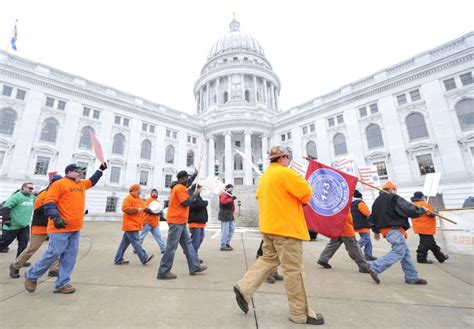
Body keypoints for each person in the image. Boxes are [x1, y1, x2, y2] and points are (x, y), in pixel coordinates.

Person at [234, 145, 324, 326]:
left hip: (269, 228)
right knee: (293, 271)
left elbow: (260, 197)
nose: (289, 161)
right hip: (287, 230)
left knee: (268, 259)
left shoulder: (265, 177)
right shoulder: (286, 173)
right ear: (283, 158)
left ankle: (244, 287)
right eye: (288, 158)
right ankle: (300, 313)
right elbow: (306, 193)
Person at [24, 162, 106, 294]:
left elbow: (92, 181)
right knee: (54, 253)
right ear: (69, 172)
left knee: (70, 256)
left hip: (75, 228)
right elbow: (49, 203)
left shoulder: (81, 184)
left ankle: (62, 283)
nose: (80, 173)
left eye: (81, 171)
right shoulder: (59, 184)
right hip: (59, 228)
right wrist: (56, 217)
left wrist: (100, 170)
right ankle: (32, 275)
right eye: (77, 171)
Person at [367, 181, 428, 285]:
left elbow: (371, 218)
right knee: (399, 251)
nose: (395, 192)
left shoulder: (376, 202)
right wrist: (422, 210)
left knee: (405, 253)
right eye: (395, 190)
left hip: (387, 231)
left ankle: (412, 277)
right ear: (391, 189)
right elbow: (408, 209)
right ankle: (375, 267)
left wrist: (376, 231)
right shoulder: (393, 198)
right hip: (394, 229)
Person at [9, 176, 62, 279]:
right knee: (32, 248)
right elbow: (38, 208)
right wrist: (54, 208)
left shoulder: (59, 194)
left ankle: (53, 269)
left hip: (54, 226)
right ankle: (15, 265)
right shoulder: (45, 193)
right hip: (40, 226)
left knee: (56, 248)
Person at [157, 170, 207, 280]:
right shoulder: (179, 188)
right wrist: (194, 195)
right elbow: (185, 202)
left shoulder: (181, 187)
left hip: (181, 221)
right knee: (171, 247)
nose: (187, 180)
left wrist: (195, 175)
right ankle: (163, 271)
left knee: (188, 244)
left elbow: (189, 182)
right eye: (186, 178)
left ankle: (194, 266)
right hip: (176, 221)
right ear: (181, 179)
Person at [114, 184, 154, 265]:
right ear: (135, 190)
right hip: (130, 225)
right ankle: (144, 258)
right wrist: (136, 209)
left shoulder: (139, 199)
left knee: (124, 243)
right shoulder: (128, 198)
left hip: (135, 225)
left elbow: (144, 207)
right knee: (136, 242)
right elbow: (125, 208)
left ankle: (118, 259)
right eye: (139, 189)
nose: (140, 191)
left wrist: (152, 210)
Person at [0, 182, 36, 260]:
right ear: (23, 187)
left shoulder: (32, 197)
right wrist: (7, 220)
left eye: (32, 188)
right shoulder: (16, 196)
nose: (31, 190)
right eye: (29, 188)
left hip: (24, 225)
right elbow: (6, 207)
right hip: (12, 226)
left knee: (24, 244)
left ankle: (18, 262)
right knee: (4, 244)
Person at [411, 191, 448, 264]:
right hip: (426, 227)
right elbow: (431, 214)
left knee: (431, 243)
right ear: (421, 197)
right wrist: (436, 212)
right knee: (425, 244)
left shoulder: (412, 204)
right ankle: (421, 258)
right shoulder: (424, 204)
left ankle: (441, 257)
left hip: (418, 226)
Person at [138, 188, 166, 254]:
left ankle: (163, 249)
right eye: (153, 192)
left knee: (158, 236)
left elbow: (159, 211)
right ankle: (137, 248)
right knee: (141, 236)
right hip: (147, 222)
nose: (154, 193)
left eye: (155, 192)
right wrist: (155, 213)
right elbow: (145, 209)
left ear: (157, 194)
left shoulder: (158, 201)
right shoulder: (148, 200)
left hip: (155, 223)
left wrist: (160, 212)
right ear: (151, 193)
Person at [351, 189, 377, 261]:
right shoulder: (360, 203)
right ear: (360, 196)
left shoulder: (352, 204)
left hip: (357, 224)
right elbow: (367, 213)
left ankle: (368, 255)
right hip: (363, 224)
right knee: (366, 239)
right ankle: (355, 249)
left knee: (368, 242)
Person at [187, 184, 208, 263]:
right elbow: (198, 205)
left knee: (200, 238)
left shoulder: (197, 197)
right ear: (196, 189)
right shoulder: (191, 196)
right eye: (199, 189)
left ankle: (191, 253)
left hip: (200, 222)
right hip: (194, 221)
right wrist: (205, 202)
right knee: (196, 241)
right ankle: (193, 256)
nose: (200, 190)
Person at [218, 184, 236, 251]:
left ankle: (227, 242)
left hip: (230, 213)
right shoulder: (223, 194)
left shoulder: (230, 194)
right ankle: (223, 245)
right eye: (230, 188)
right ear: (226, 188)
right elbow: (223, 202)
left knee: (232, 228)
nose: (231, 189)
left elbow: (231, 204)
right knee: (225, 230)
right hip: (224, 213)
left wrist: (233, 210)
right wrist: (231, 199)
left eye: (232, 188)